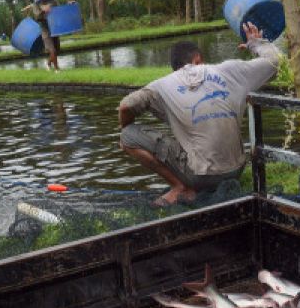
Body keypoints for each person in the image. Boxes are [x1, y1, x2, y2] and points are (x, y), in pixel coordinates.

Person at [118, 21, 280, 207]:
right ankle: (189, 184)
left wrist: (126, 127)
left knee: (127, 136)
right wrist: (255, 43)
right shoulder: (231, 70)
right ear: (198, 59)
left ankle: (180, 187)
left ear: (175, 67)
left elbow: (125, 106)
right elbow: (274, 61)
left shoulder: (161, 85)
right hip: (236, 170)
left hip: (199, 178)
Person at [27, 0, 71, 72]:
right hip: (45, 30)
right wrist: (43, 11)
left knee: (57, 51)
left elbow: (60, 9)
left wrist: (68, 4)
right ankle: (57, 69)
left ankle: (48, 64)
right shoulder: (36, 5)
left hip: (54, 28)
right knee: (52, 50)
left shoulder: (52, 0)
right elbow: (37, 16)